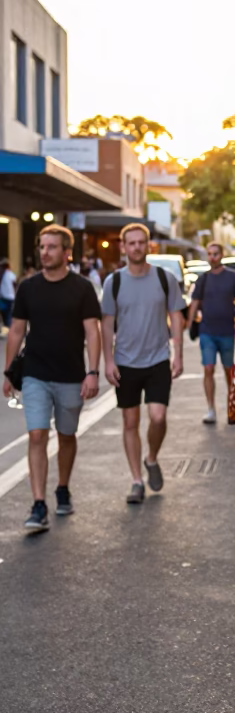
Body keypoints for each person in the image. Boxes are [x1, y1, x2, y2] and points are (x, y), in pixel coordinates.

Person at [2, 225, 101, 530]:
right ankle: (39, 504)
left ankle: (63, 487)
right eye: (42, 247)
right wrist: (8, 373)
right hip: (35, 374)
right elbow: (17, 330)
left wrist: (92, 372)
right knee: (37, 435)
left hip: (71, 375)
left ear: (67, 252)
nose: (45, 252)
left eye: (52, 247)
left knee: (67, 435)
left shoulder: (82, 288)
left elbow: (92, 331)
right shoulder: (29, 288)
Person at [101, 223, 185, 504]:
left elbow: (176, 316)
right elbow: (107, 324)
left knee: (158, 417)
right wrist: (108, 360)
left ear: (149, 245)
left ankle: (151, 458)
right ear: (124, 247)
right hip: (125, 361)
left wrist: (179, 353)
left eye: (141, 242)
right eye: (131, 243)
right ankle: (137, 480)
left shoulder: (165, 278)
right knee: (130, 421)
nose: (136, 247)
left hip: (158, 359)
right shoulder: (114, 281)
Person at [187, 241, 235, 424]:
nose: (212, 257)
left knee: (229, 371)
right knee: (208, 369)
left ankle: (232, 408)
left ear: (222, 255)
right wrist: (189, 323)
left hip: (226, 331)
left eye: (215, 254)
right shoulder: (203, 278)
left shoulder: (234, 277)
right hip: (207, 331)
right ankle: (211, 409)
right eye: (209, 254)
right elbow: (195, 301)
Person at [0, 257, 16, 332]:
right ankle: (8, 328)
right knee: (8, 314)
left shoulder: (2, 274)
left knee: (5, 314)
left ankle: (7, 328)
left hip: (4, 297)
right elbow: (14, 285)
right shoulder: (10, 274)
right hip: (10, 297)